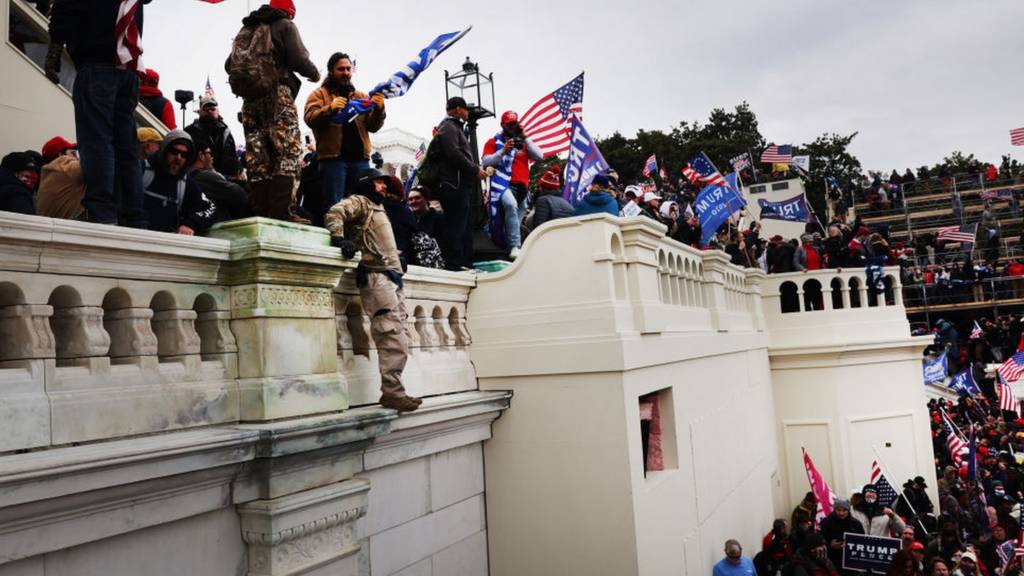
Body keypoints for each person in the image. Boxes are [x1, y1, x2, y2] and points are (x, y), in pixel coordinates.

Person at [325, 169, 421, 412]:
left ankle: (395, 391)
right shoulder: (361, 202)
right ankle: (392, 393)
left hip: (391, 277)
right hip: (376, 276)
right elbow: (335, 213)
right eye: (379, 182)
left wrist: (398, 262)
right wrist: (339, 239)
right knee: (391, 335)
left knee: (399, 335)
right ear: (366, 184)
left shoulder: (378, 208)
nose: (383, 186)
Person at [47, 0, 149, 227]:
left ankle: (101, 209)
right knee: (126, 146)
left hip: (97, 61)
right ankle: (133, 215)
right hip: (128, 66)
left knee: (96, 140)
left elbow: (65, 8)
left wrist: (55, 47)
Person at [228, 0, 319, 222]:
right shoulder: (284, 24)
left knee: (258, 156)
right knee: (288, 151)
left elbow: (228, 64)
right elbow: (298, 58)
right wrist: (315, 73)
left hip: (250, 100)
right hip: (278, 94)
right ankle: (281, 212)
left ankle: (261, 211)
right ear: (289, 12)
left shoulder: (246, 29)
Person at [303, 52, 385, 207]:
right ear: (331, 71)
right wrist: (330, 109)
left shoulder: (360, 96)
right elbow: (310, 118)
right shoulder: (319, 94)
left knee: (362, 206)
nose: (346, 73)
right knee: (335, 206)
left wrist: (379, 109)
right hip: (333, 160)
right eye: (341, 69)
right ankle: (336, 232)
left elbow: (373, 127)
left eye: (348, 69)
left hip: (360, 161)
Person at [481, 111, 543, 259]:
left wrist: (525, 137)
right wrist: (503, 151)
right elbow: (485, 162)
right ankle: (516, 246)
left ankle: (507, 250)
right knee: (510, 205)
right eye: (509, 124)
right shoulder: (493, 141)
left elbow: (539, 156)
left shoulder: (522, 143)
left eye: (514, 123)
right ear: (502, 125)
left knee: (514, 221)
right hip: (503, 185)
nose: (512, 126)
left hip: (523, 188)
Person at [435, 96, 486, 270]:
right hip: (453, 185)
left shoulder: (453, 127)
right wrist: (474, 169)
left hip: (458, 184)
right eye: (466, 110)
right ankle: (454, 264)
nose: (468, 114)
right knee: (456, 226)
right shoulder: (448, 127)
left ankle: (464, 262)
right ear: (458, 109)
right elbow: (453, 153)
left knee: (463, 225)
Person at [140, 130, 217, 235]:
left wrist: (191, 223)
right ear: (164, 151)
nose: (178, 158)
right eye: (174, 152)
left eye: (184, 154)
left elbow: (210, 208)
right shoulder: (142, 170)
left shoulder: (185, 183)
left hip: (165, 244)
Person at [189, 136, 253, 222]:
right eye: (210, 153)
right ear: (201, 156)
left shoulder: (189, 176)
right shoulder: (204, 176)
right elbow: (239, 195)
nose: (212, 157)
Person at [184, 95, 241, 179]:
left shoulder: (226, 132)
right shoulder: (190, 131)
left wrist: (238, 168)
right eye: (206, 109)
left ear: (218, 111)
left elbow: (233, 156)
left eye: (213, 109)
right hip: (202, 178)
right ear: (199, 111)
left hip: (227, 179)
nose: (209, 111)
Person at [37, 136, 85, 219]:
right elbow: (95, 164)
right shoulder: (63, 166)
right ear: (60, 155)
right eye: (73, 153)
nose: (77, 158)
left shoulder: (48, 176)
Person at [819, 499, 864, 573]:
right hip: (833, 562)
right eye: (838, 510)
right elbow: (820, 541)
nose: (841, 513)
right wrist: (830, 545)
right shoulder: (826, 523)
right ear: (834, 509)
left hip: (851, 563)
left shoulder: (856, 524)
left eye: (844, 510)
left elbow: (862, 542)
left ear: (849, 510)